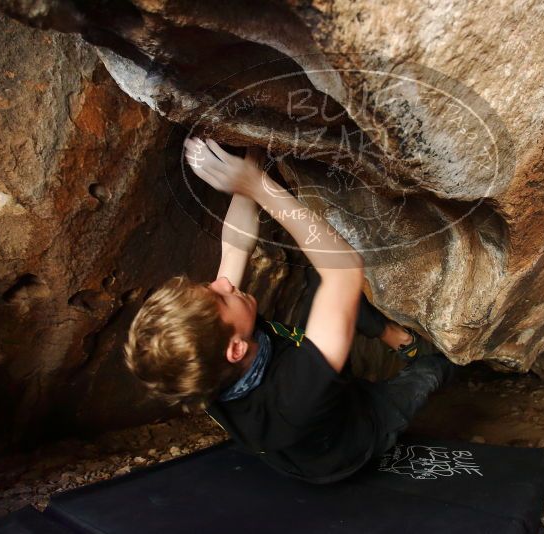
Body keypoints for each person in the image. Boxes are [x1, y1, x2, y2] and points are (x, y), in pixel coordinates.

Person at [123, 138, 456, 483]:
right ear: (235, 348)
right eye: (220, 297)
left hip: (320, 402)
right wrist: (259, 187)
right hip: (355, 437)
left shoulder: (205, 366)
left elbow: (234, 248)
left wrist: (253, 161)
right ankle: (432, 361)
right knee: (430, 371)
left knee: (319, 281)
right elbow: (343, 272)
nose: (223, 284)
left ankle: (397, 338)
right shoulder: (290, 400)